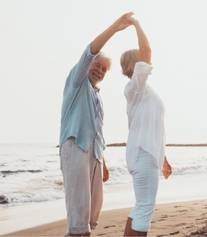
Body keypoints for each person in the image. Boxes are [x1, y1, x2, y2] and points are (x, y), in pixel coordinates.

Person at [59, 12, 133, 236]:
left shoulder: (96, 95)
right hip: (75, 148)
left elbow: (96, 132)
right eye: (97, 65)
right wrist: (115, 28)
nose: (99, 70)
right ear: (88, 65)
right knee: (78, 215)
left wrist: (103, 162)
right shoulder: (77, 82)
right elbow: (90, 50)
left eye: (104, 69)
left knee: (91, 215)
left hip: (94, 155)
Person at [120, 15, 173, 236]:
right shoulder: (135, 88)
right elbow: (147, 52)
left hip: (148, 154)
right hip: (143, 155)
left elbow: (154, 128)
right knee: (144, 208)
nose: (146, 63)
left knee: (140, 207)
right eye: (141, 60)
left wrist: (163, 159)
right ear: (134, 65)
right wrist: (136, 24)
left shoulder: (143, 92)